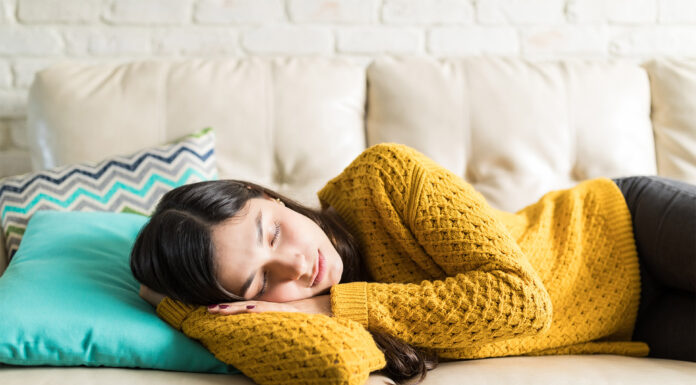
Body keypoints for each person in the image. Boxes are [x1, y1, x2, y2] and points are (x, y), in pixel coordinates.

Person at [130, 143, 696, 385]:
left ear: (269, 196)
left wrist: (336, 303)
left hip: (624, 228)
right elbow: (337, 367)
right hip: (630, 325)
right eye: (259, 280)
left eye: (273, 233)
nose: (296, 268)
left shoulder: (383, 179)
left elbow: (521, 302)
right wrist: (191, 313)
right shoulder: (306, 318)